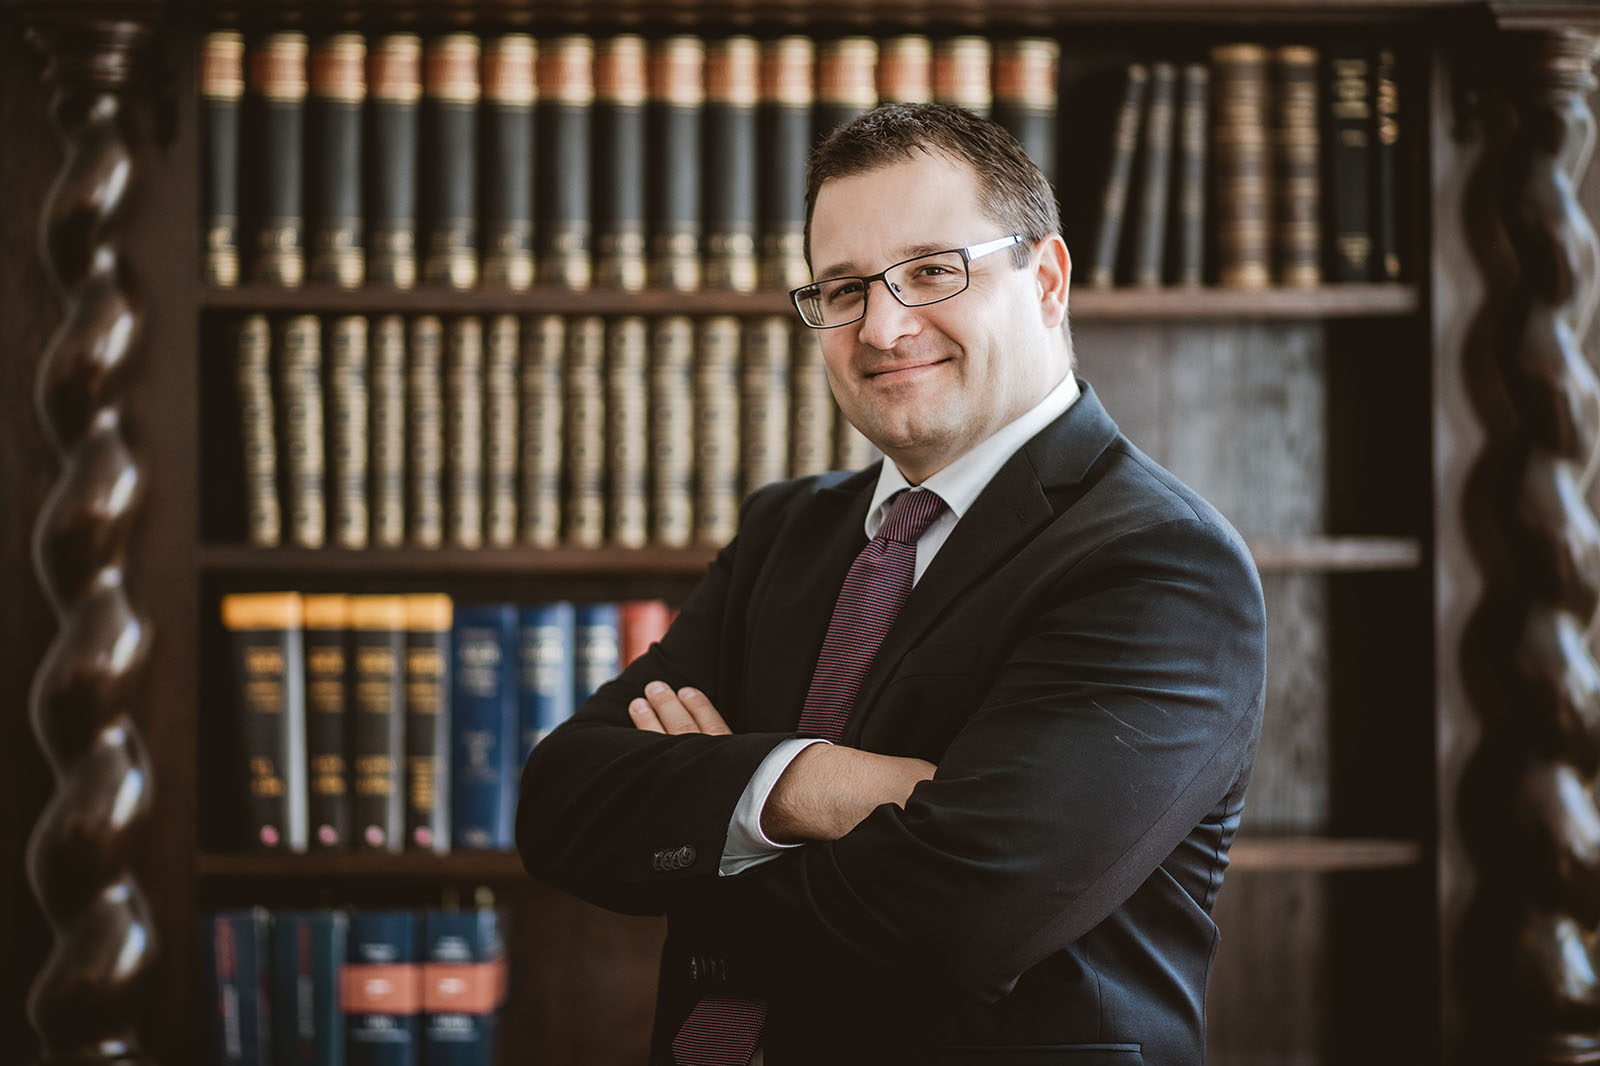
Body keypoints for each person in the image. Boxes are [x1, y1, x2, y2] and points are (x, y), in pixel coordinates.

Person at [518, 102, 1267, 1066]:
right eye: (841, 288)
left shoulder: (1159, 564)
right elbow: (561, 800)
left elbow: (962, 916)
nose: (882, 324)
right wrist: (818, 785)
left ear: (1045, 278)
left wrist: (710, 822)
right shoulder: (785, 530)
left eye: (929, 272)